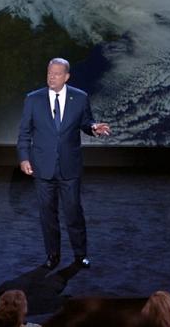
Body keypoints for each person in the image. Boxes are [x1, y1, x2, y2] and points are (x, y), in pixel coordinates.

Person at [17, 57, 110, 269]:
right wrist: (24, 158)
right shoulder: (33, 99)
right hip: (43, 167)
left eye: (57, 74)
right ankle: (53, 255)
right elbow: (24, 132)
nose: (52, 77)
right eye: (49, 73)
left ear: (66, 77)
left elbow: (85, 122)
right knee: (47, 215)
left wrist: (93, 127)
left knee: (73, 213)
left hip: (69, 166)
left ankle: (80, 254)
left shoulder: (80, 97)